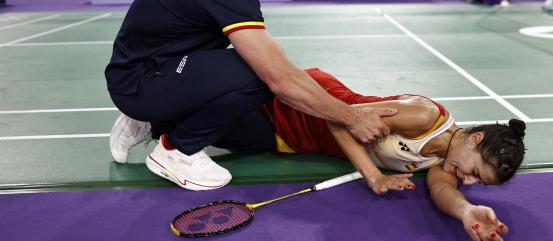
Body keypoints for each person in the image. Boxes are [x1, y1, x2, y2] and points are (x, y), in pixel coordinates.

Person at [105, 0, 395, 192]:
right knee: (261, 75)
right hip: (139, 80)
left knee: (258, 135)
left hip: (158, 66)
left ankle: (154, 120)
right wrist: (352, 118)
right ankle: (177, 151)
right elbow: (279, 78)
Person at [112, 68, 525, 241]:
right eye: (475, 173)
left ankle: (149, 124)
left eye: (476, 184)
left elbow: (442, 190)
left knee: (235, 136)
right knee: (229, 106)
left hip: (295, 141)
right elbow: (340, 119)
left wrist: (466, 210)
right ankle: (148, 113)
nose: (467, 180)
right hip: (310, 105)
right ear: (473, 140)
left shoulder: (444, 162)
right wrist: (373, 176)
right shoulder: (424, 117)